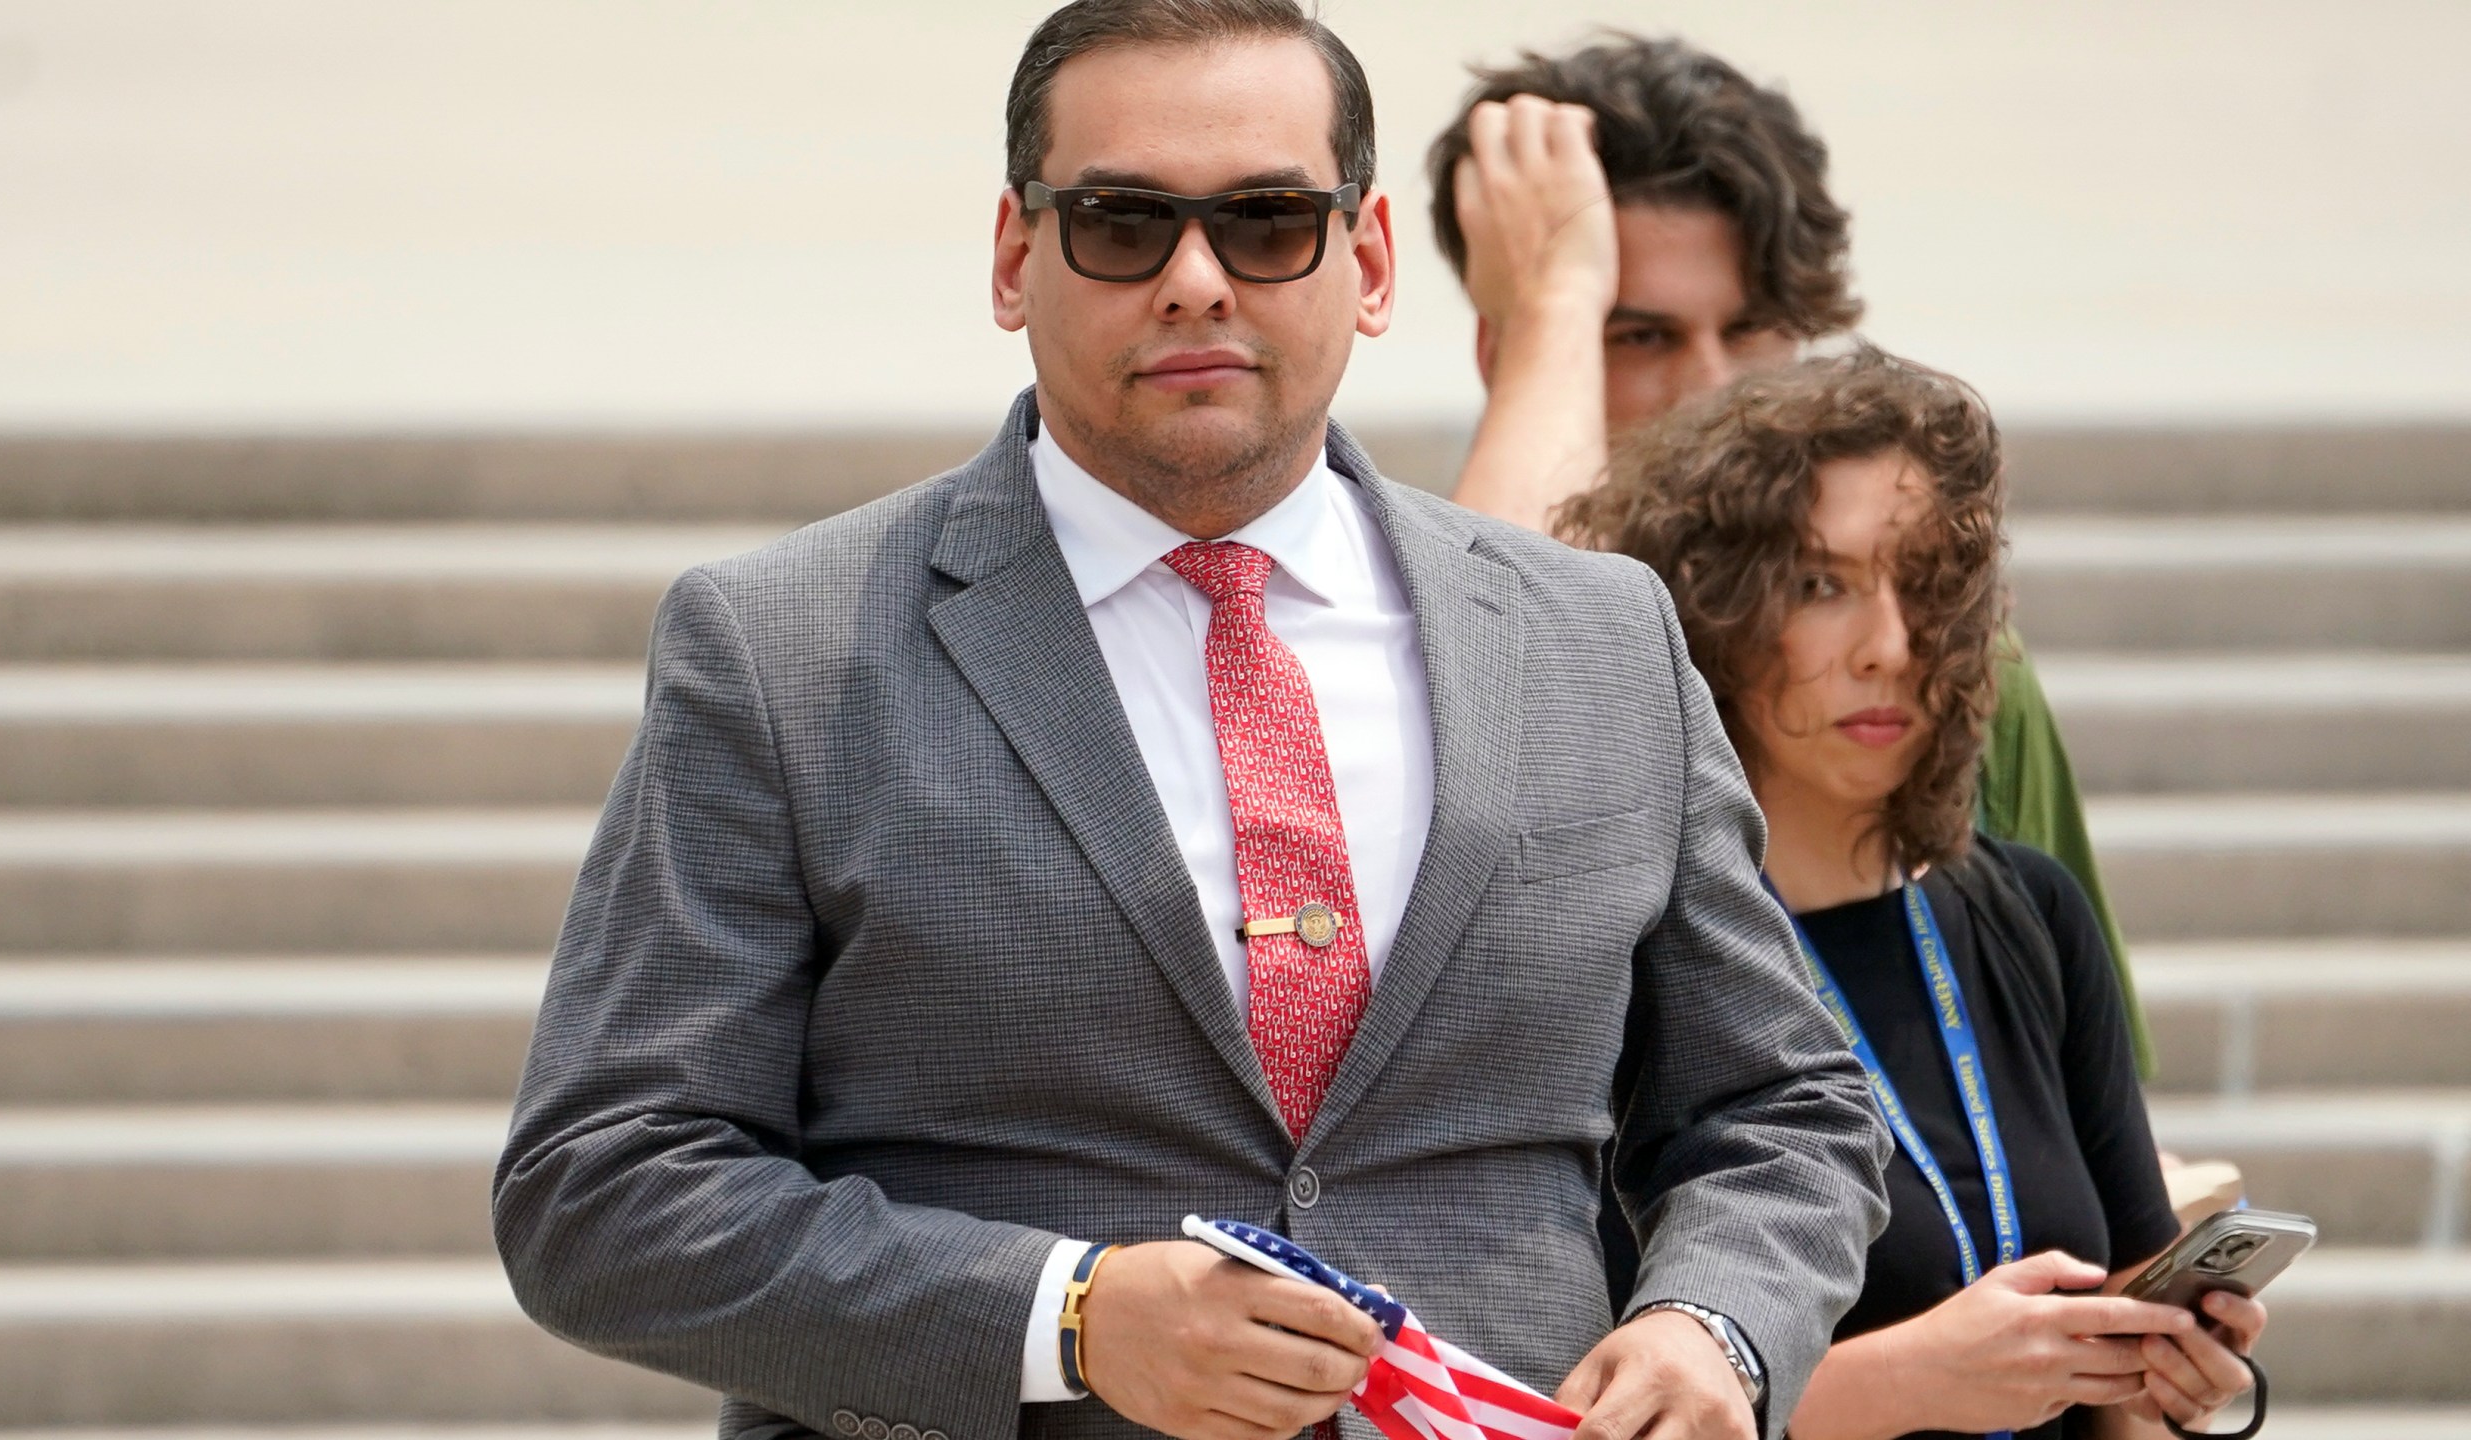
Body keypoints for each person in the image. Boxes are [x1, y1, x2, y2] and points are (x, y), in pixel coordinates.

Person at [493, 6, 1890, 1440]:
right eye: (1121, 222)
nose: (1197, 281)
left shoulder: (1598, 638)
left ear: (1370, 262)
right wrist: (1067, 1318)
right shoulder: (782, 649)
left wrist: (1714, 1325)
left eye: (1271, 220)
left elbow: (1785, 1110)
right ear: (1011, 257)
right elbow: (601, 1190)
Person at [1559, 348, 2267, 1440]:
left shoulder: (2026, 912)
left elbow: (2125, 1372)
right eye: (1821, 585)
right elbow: (1591, 1401)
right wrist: (1899, 1385)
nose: (1889, 646)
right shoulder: (1624, 970)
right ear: (1714, 611)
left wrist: (2171, 1382)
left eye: (1929, 581)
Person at [1423, 37, 2152, 1075]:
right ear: (1516, 357)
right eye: (1637, 336)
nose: (1713, 387)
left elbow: (2084, 1105)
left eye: (1754, 329)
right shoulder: (1437, 607)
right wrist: (1552, 301)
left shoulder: (1943, 664)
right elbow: (1495, 682)